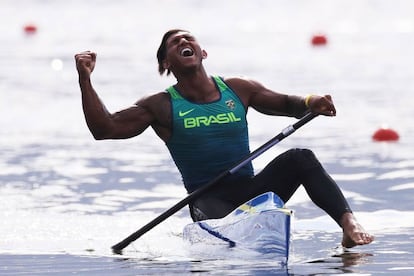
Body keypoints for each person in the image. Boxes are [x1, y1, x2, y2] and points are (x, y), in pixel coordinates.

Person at [75, 29, 373, 248]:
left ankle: (348, 224)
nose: (182, 41)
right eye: (173, 43)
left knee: (300, 157)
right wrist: (85, 80)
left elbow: (286, 104)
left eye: (187, 38)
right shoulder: (160, 105)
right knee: (226, 230)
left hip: (252, 190)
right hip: (207, 199)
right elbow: (105, 129)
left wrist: (311, 101)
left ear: (203, 53)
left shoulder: (239, 89)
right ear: (166, 64)